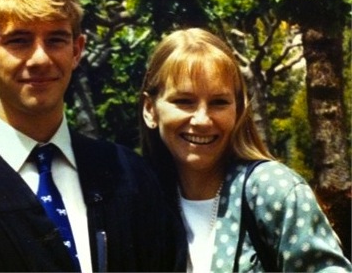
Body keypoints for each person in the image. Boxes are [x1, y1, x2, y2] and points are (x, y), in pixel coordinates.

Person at [0, 0, 186, 272]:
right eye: (19, 40)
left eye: (55, 39)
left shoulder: (129, 176)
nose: (41, 58)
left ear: (77, 49)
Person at [139, 27, 352, 272]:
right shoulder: (141, 201)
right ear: (150, 109)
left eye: (219, 102)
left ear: (238, 110)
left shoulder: (273, 191)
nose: (202, 119)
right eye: (184, 102)